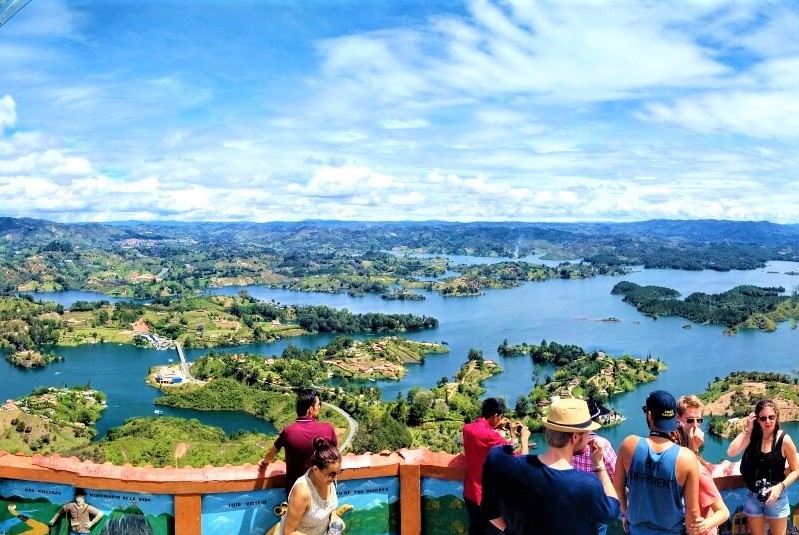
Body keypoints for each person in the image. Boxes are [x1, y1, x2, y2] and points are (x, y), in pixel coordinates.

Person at [481, 397, 620, 535]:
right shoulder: (587, 485)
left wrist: (511, 531)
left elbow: (489, 511)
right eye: (588, 432)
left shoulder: (499, 461)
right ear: (576, 437)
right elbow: (613, 512)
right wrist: (598, 465)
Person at [614, 390, 700, 534]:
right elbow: (693, 511)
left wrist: (624, 513)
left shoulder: (629, 445)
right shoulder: (686, 457)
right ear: (674, 417)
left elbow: (618, 486)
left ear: (650, 415)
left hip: (636, 530)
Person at [726, 398, 799, 535]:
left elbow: (796, 471)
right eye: (763, 418)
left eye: (771, 417)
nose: (768, 422)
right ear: (757, 419)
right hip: (753, 496)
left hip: (777, 496)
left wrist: (780, 487)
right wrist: (748, 428)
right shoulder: (752, 436)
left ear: (777, 416)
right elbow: (731, 452)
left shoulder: (784, 440)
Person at [462, 398, 529, 535]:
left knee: (475, 530)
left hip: (470, 492)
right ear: (496, 415)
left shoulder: (467, 428)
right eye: (500, 416)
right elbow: (515, 455)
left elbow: (480, 434)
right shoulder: (491, 436)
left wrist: (493, 426)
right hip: (488, 498)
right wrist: (518, 436)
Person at [260, 389, 338, 493]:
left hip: (296, 492)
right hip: (322, 492)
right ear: (311, 409)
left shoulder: (288, 431)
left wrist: (264, 463)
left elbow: (273, 452)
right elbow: (336, 456)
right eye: (319, 404)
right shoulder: (327, 429)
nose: (320, 407)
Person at [278, 438, 344, 535]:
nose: (335, 477)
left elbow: (328, 508)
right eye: (331, 474)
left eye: (338, 472)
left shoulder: (329, 480)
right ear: (315, 469)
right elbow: (288, 532)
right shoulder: (302, 492)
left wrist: (334, 518)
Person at [672, 424, 729, 535]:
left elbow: (723, 512)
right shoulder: (669, 469)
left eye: (673, 442)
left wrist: (703, 525)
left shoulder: (697, 472)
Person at [573, 398, 618, 535]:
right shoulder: (601, 445)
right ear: (596, 421)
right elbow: (617, 475)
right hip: (596, 509)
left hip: (571, 508)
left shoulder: (566, 445)